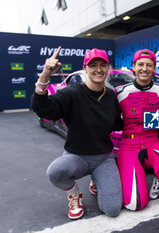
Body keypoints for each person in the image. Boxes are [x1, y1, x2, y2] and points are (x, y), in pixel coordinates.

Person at [31, 47, 123, 220]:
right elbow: (41, 109)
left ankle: (97, 180)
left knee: (112, 210)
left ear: (108, 68)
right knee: (55, 172)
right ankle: (74, 195)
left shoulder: (111, 96)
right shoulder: (71, 93)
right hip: (77, 157)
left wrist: (139, 118)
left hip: (104, 158)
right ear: (86, 68)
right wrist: (45, 75)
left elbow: (118, 122)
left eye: (103, 65)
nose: (98, 69)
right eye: (93, 65)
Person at [115, 49, 159, 211]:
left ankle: (158, 178)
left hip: (152, 142)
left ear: (154, 68)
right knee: (135, 204)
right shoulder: (119, 92)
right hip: (129, 146)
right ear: (134, 67)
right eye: (141, 65)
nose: (144, 68)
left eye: (149, 65)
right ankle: (135, 170)